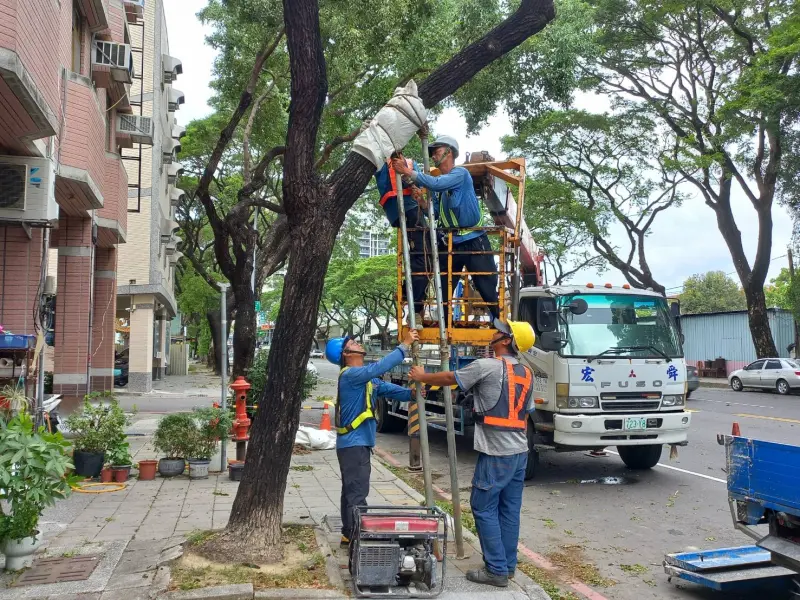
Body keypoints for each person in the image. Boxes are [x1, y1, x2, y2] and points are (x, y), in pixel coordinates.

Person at [408, 319, 536, 587]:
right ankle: (508, 566)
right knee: (509, 511)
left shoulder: (486, 366)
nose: (494, 334)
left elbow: (449, 378)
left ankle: (497, 571)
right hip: (519, 451)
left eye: (500, 332)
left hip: (496, 451)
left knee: (483, 507)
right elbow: (526, 412)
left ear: (506, 341)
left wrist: (421, 377)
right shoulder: (526, 372)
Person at [325, 328, 419, 547]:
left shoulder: (366, 379)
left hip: (357, 444)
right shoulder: (351, 375)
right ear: (346, 354)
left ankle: (349, 534)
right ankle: (358, 539)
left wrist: (413, 393)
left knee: (351, 490)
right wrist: (404, 345)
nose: (358, 343)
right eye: (352, 343)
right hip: (353, 444)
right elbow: (382, 367)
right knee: (357, 493)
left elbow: (390, 389)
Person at [392, 136, 499, 323]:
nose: (433, 156)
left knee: (487, 287)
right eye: (432, 154)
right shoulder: (438, 187)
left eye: (437, 152)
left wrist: (408, 171)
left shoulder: (460, 174)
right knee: (443, 288)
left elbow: (436, 183)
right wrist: (422, 203)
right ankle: (443, 323)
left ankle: (499, 323)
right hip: (451, 243)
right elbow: (434, 214)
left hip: (474, 240)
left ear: (449, 153)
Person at [375, 157, 428, 328]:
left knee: (422, 260)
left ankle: (408, 292)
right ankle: (414, 308)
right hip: (407, 211)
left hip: (409, 210)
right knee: (423, 260)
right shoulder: (386, 162)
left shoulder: (407, 162)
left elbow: (420, 182)